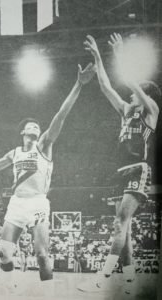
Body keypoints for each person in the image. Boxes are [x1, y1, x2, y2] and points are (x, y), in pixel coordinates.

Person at [0, 62, 95, 282]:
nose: (35, 127)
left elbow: (61, 115)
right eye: (31, 126)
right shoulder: (14, 153)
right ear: (23, 132)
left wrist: (78, 85)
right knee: (4, 255)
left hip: (37, 203)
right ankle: (12, 285)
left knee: (42, 254)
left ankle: (47, 293)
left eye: (37, 126)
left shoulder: (43, 145)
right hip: (16, 203)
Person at [79, 34, 161, 293]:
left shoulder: (152, 110)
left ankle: (101, 278)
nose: (130, 93)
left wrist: (120, 55)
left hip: (139, 168)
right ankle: (129, 280)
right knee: (123, 232)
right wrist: (98, 57)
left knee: (119, 225)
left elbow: (130, 82)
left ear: (145, 94)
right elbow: (105, 87)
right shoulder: (127, 110)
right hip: (120, 171)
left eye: (137, 91)